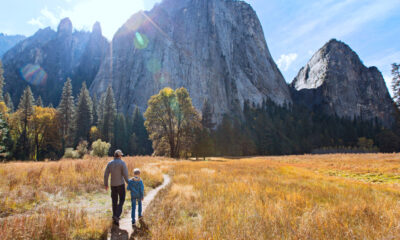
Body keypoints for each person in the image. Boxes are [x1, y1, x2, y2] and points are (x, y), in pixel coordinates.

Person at [104, 149, 129, 226]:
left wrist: (106, 184)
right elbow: (125, 175)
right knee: (122, 199)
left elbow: (106, 175)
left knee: (114, 201)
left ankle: (115, 218)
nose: (121, 156)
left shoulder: (109, 163)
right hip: (121, 185)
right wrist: (129, 183)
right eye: (121, 155)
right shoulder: (122, 163)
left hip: (113, 185)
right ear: (119, 155)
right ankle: (117, 215)